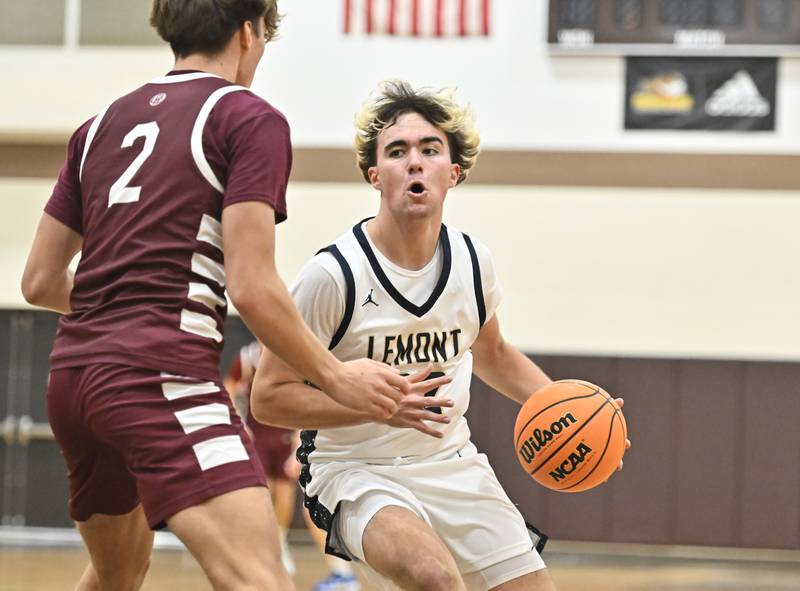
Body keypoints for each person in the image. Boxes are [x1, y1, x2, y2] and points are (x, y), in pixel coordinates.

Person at [19, 2, 439, 587]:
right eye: (265, 38)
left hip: (72, 379)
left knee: (116, 575)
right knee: (260, 580)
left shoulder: (98, 128)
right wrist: (339, 377)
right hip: (158, 376)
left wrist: (120, 305)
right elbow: (252, 284)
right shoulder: (245, 116)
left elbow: (38, 281)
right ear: (248, 33)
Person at [252, 80, 630, 591]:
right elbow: (269, 398)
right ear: (375, 175)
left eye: (430, 150)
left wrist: (572, 412)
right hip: (355, 469)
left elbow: (493, 353)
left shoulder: (473, 264)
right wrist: (371, 404)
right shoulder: (333, 275)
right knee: (432, 576)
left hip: (450, 461)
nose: (414, 161)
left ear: (452, 174)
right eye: (397, 151)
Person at [224, 340, 362, 591]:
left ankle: (343, 575)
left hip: (297, 438)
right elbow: (230, 386)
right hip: (267, 435)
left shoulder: (295, 358)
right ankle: (281, 552)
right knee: (269, 497)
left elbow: (309, 403)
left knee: (309, 507)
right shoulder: (248, 357)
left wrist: (298, 444)